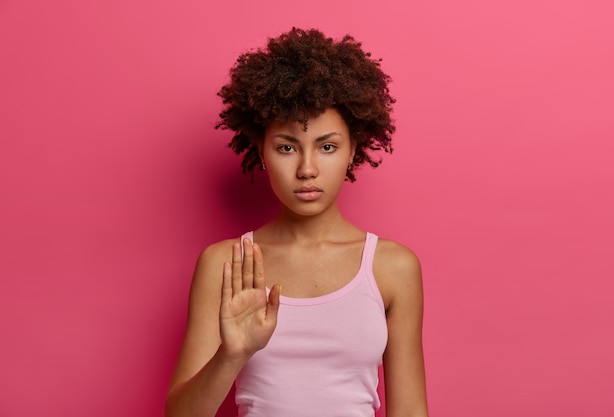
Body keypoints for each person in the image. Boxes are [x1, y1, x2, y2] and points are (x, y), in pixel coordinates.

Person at [165, 28, 428, 417]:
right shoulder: (227, 264)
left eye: (327, 146)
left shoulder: (393, 267)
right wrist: (232, 354)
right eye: (287, 147)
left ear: (353, 149)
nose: (307, 169)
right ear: (262, 151)